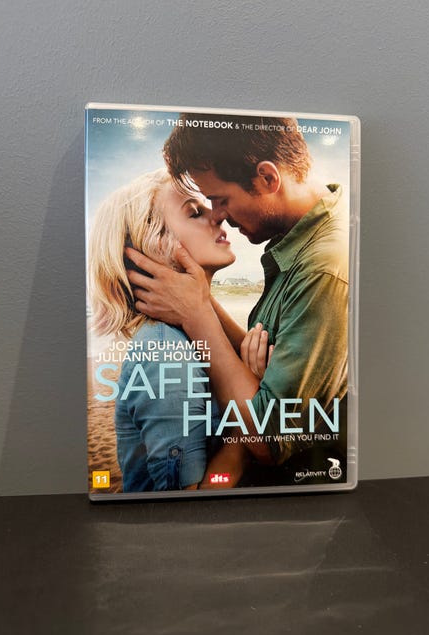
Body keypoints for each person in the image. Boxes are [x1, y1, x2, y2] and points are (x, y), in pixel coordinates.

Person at [126, 113, 349, 485]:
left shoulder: (323, 267)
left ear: (267, 178)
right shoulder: (305, 236)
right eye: (200, 208)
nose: (218, 215)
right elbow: (288, 352)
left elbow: (269, 438)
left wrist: (198, 315)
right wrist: (199, 302)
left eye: (220, 199)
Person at [88, 168, 236, 492]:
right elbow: (186, 503)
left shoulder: (197, 329)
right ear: (155, 245)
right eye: (194, 212)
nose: (219, 214)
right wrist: (247, 432)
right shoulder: (164, 352)